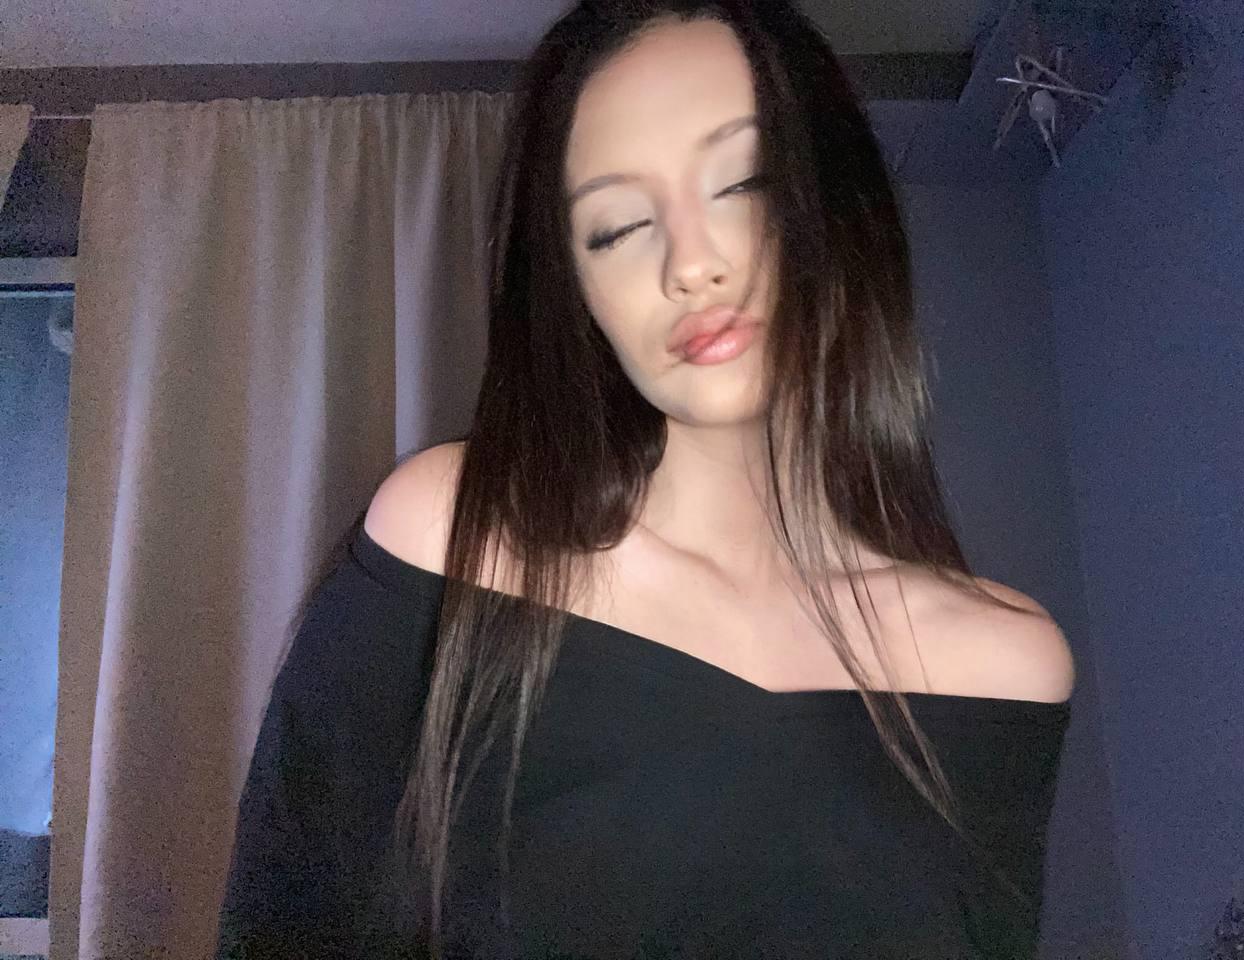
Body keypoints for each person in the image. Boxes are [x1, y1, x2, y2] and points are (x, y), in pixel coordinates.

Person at [215, 2, 1076, 958]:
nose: (690, 264)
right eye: (618, 227)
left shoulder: (1005, 668)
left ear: (841, 206)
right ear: (577, 294)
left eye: (743, 181)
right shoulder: (452, 540)